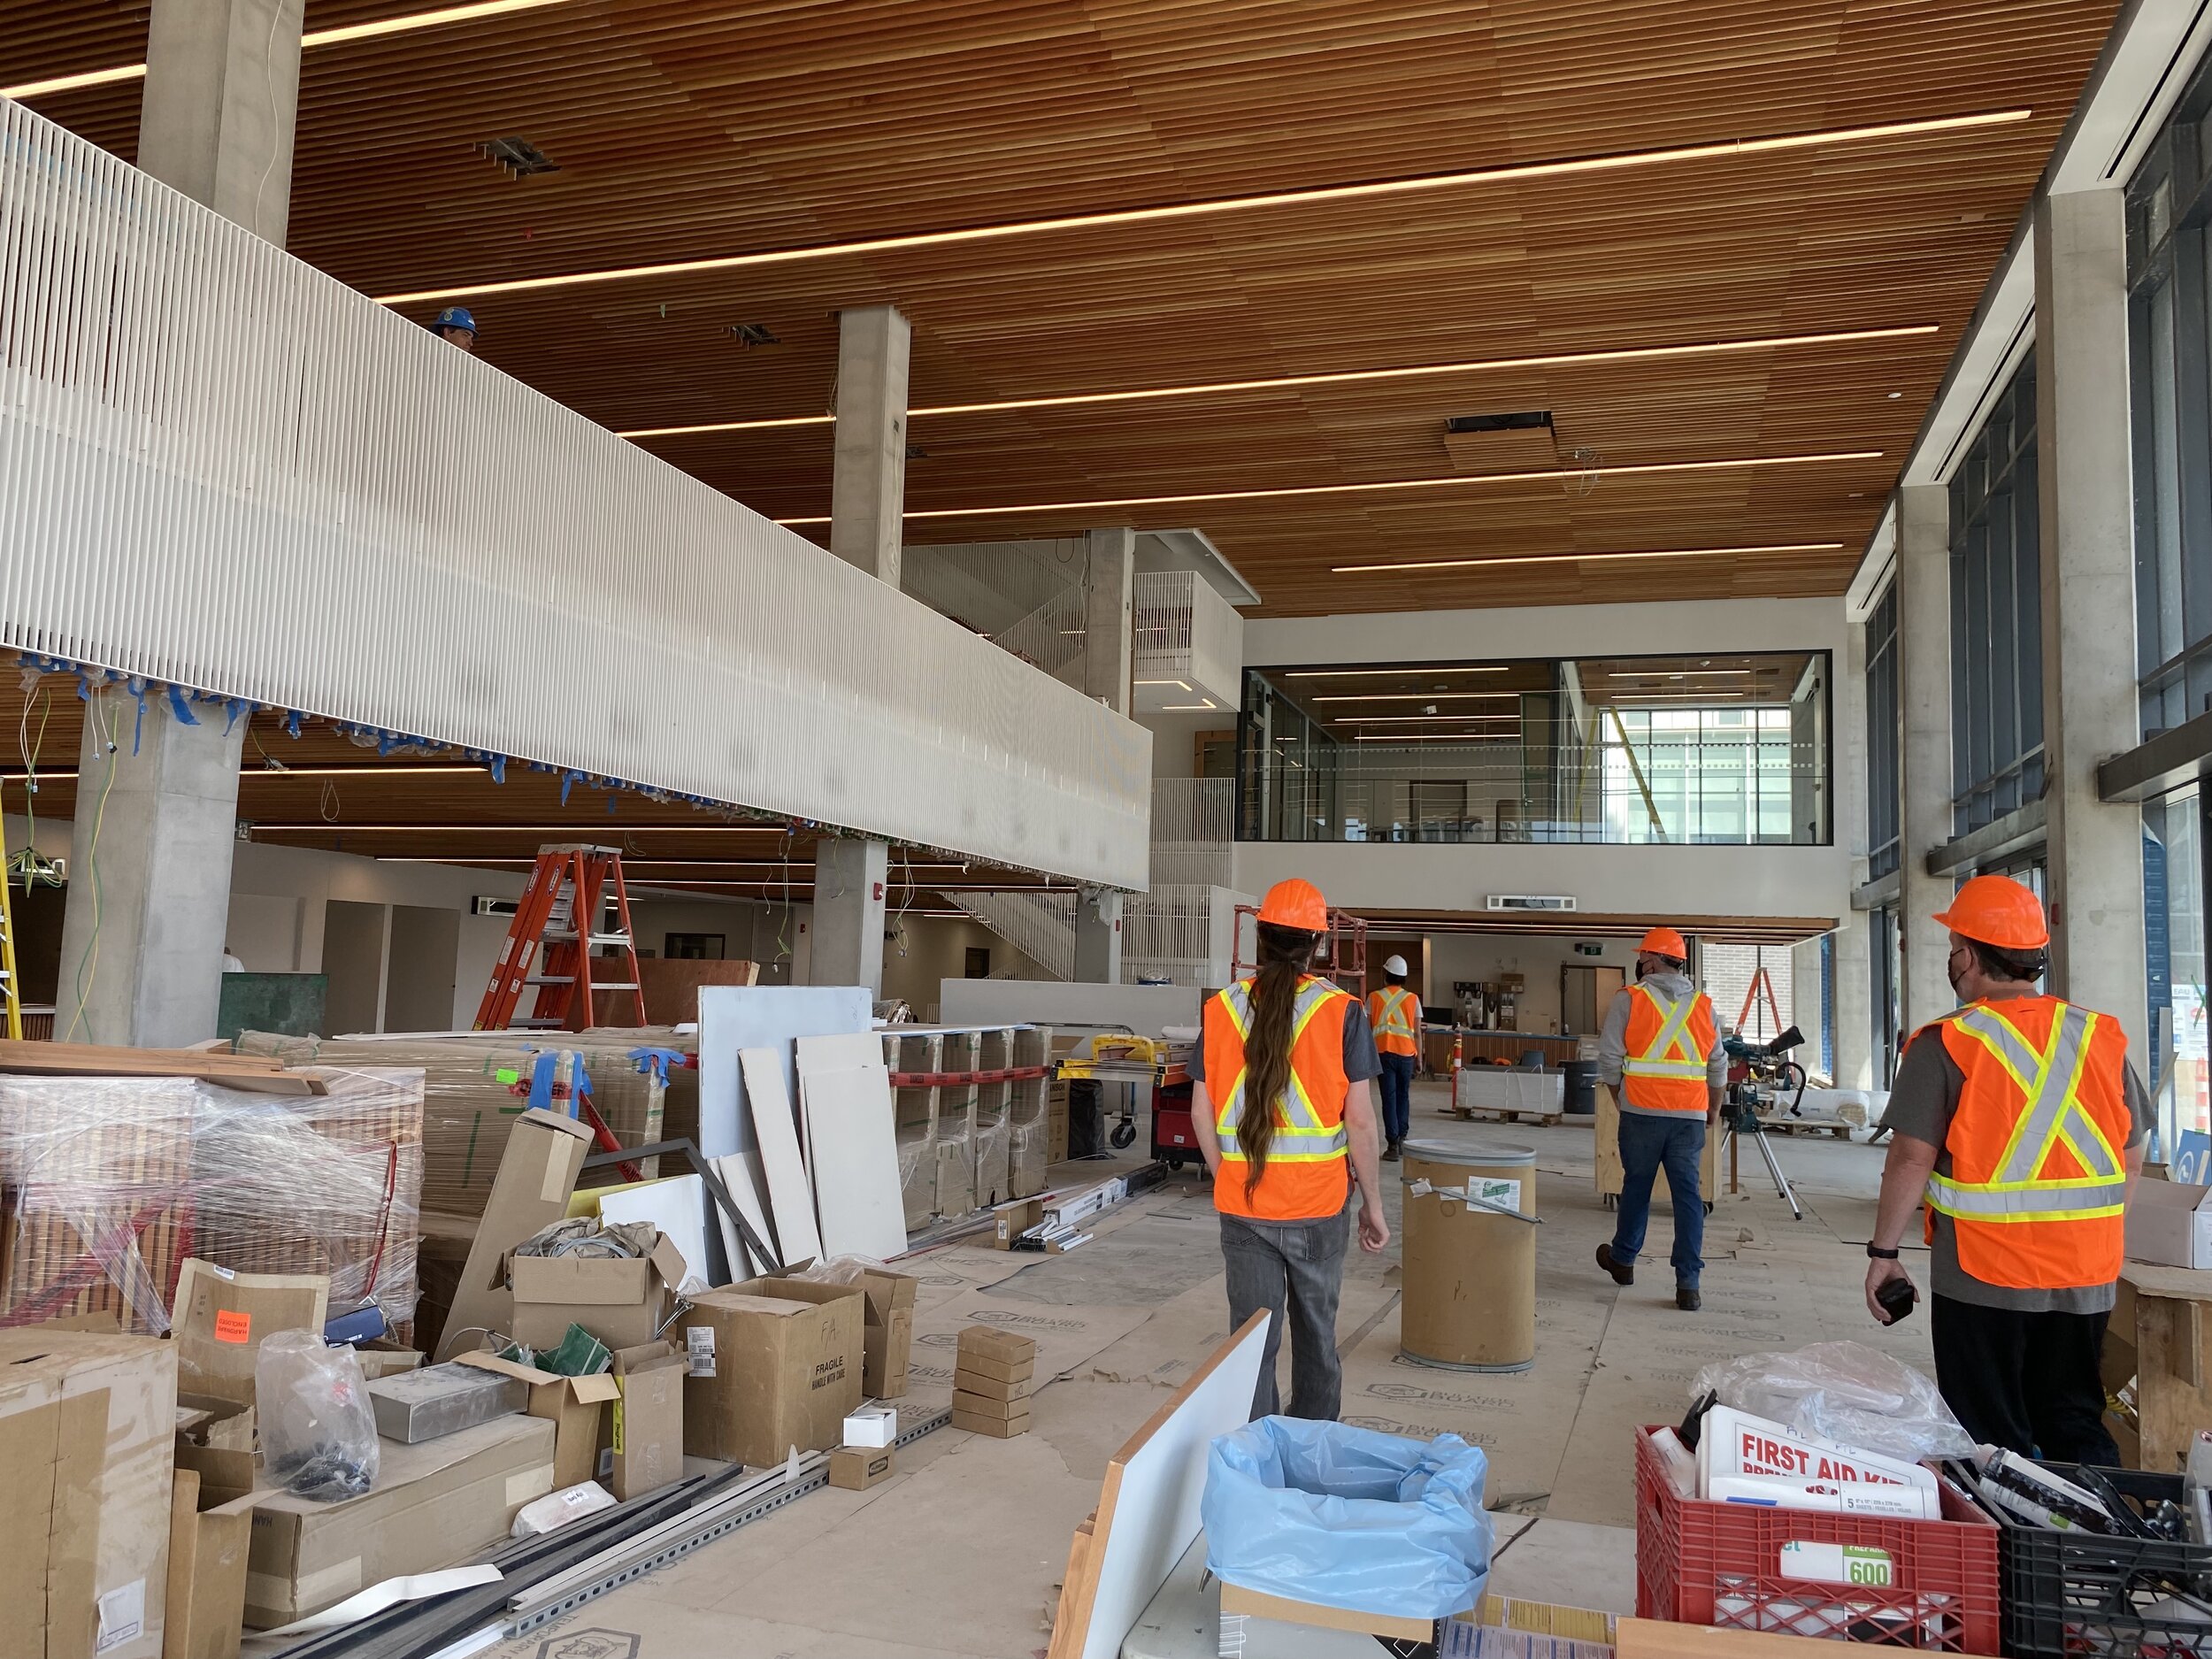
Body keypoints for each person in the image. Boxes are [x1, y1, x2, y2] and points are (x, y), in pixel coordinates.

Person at [1865, 875, 2147, 1463]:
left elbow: (1911, 1158)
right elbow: (2132, 1149)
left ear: (1967, 957)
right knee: (2074, 1416)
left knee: (1988, 1435)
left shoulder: (1946, 1042)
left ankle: (2007, 1550)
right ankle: (2100, 1546)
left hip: (1985, 1274)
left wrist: (1884, 1254)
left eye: (1952, 950)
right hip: (2085, 1274)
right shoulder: (2098, 1036)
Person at [1191, 879, 1388, 1419]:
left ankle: (1258, 1464)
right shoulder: (1342, 1012)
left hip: (1245, 1208)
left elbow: (1200, 1112)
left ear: (1260, 938)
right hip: (1318, 1208)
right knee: (1317, 1340)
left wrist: (1225, 1172)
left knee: (1251, 1346)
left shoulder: (1221, 1009)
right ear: (1317, 945)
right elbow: (1363, 1124)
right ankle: (1312, 1453)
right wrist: (1372, 1202)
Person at [1594, 926, 1725, 1311]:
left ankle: (1624, 1260)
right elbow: (1718, 1065)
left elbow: (1609, 1059)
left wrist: (1623, 1099)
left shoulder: (1629, 999)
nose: (1640, 962)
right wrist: (1712, 1109)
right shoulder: (1703, 1004)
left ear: (1650, 959)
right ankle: (1688, 1283)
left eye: (1642, 956)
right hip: (1688, 1118)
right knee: (1688, 1197)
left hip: (1641, 1114)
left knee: (1637, 1187)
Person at [1368, 954, 1421, 1161]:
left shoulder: (1374, 998)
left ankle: (1391, 1145)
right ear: (1404, 978)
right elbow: (1417, 1032)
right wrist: (1420, 1058)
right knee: (1403, 1096)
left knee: (1388, 1098)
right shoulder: (1413, 999)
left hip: (1383, 1054)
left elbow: (1367, 1029)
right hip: (1407, 1054)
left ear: (1386, 975)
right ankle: (1402, 1140)